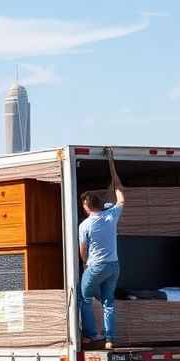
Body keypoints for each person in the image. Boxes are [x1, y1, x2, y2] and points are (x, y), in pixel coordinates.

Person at [78, 148, 125, 349]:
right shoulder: (110, 216)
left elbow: (82, 249)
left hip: (96, 266)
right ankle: (109, 338)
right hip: (113, 266)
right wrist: (114, 175)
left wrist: (85, 264)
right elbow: (121, 197)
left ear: (87, 206)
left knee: (84, 297)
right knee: (108, 302)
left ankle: (91, 335)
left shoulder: (85, 225)